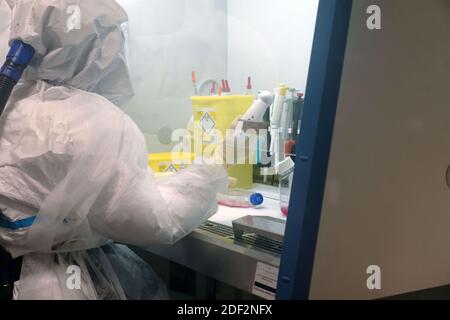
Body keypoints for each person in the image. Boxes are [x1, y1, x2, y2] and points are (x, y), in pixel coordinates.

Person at [0, 0, 230, 299]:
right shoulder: (95, 121)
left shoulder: (13, 103)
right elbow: (152, 222)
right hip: (61, 283)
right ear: (98, 40)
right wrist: (210, 174)